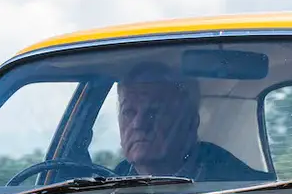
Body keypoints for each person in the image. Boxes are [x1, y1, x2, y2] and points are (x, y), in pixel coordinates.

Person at [114, 66, 268, 182]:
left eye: (154, 112)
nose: (138, 124)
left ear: (191, 123)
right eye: (128, 112)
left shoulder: (238, 183)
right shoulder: (108, 183)